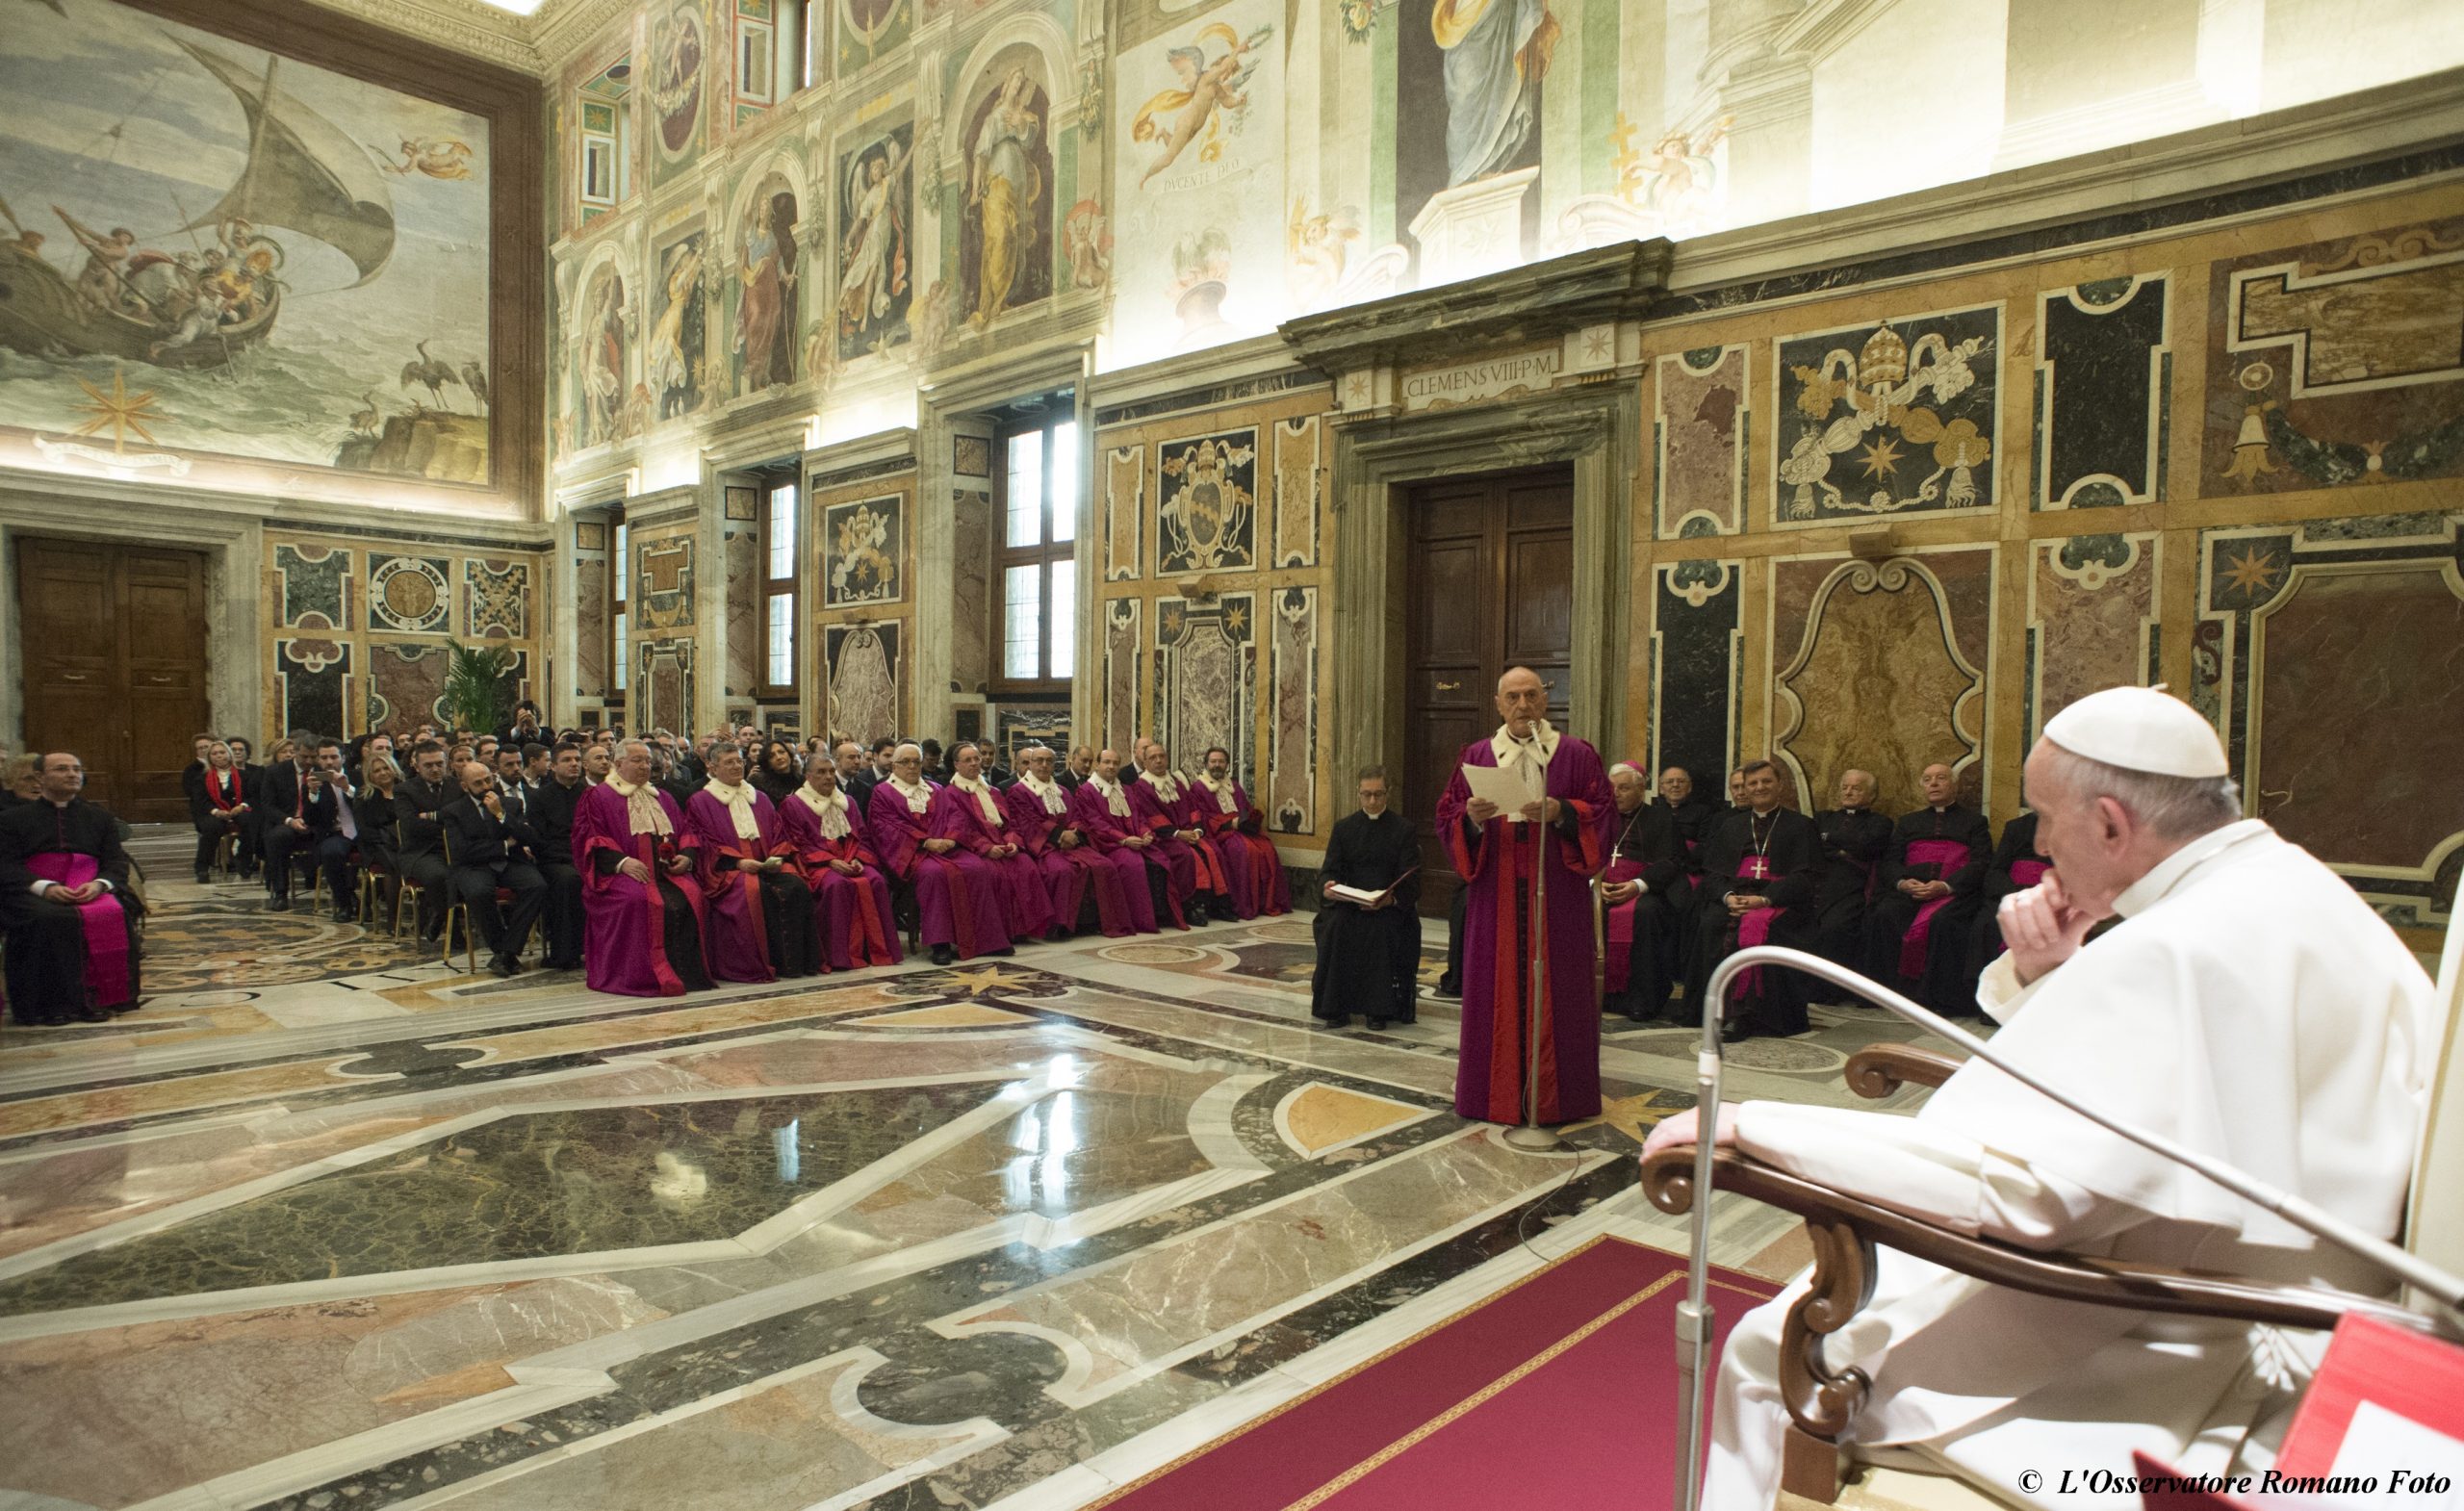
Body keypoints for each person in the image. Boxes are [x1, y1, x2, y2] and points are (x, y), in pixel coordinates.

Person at [1647, 685, 2437, 1511]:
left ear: (2109, 823)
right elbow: (2148, 1097)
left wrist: (1753, 1125)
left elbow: (2027, 1191)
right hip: (2271, 1280)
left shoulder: (2177, 944)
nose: (2043, 847)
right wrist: (2053, 973)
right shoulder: (2281, 884)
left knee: (1763, 1348)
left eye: (2046, 819)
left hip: (2198, 1327)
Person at [1433, 666, 1613, 1125]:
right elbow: (1448, 813)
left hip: (1556, 893)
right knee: (1493, 987)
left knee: (1560, 991)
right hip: (1496, 892)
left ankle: (1561, 1098)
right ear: (1498, 704)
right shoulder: (1476, 755)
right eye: (1511, 697)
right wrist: (1471, 818)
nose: (1522, 705)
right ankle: (1491, 1095)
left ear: (1544, 700)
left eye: (1530, 695)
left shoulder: (1574, 754)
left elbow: (1603, 812)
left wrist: (1563, 811)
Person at [1, 752, 144, 1025]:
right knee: (50, 918)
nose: (72, 774)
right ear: (40, 778)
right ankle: (49, 1005)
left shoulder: (100, 818)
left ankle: (102, 999)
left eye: (77, 769)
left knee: (112, 913)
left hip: (88, 887)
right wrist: (44, 887)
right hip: (30, 890)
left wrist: (100, 884)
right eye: (62, 769)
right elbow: (6, 864)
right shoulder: (12, 820)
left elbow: (115, 861)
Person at [1684, 758, 1821, 1040]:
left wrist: (1766, 899)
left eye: (1766, 781)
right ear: (1744, 789)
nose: (1759, 788)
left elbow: (1806, 878)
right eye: (1753, 783)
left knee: (1762, 930)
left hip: (1780, 902)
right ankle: (1716, 1010)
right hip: (1736, 896)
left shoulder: (1801, 826)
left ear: (1780, 785)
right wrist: (1728, 897)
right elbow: (1713, 873)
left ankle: (1748, 1015)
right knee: (1712, 923)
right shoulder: (1730, 826)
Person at [574, 738, 714, 996]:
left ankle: (687, 974)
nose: (645, 766)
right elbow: (590, 837)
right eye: (637, 760)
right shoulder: (597, 796)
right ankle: (641, 974)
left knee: (693, 894)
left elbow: (685, 831)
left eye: (648, 761)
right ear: (618, 764)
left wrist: (686, 856)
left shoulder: (664, 798)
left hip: (665, 872)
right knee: (637, 900)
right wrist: (622, 862)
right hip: (619, 874)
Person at [1862, 761, 1994, 1016]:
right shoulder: (1908, 822)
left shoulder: (1975, 822)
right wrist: (1903, 882)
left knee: (1944, 922)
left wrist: (1946, 886)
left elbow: (1982, 862)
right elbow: (1890, 861)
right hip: (1911, 890)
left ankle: (1936, 997)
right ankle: (1889, 992)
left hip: (1951, 893)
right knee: (1885, 914)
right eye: (1927, 779)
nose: (1933, 783)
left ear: (1954, 785)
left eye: (1941, 778)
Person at [867, 742, 1011, 965]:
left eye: (916, 761)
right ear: (894, 766)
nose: (913, 766)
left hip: (946, 847)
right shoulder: (883, 792)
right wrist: (925, 842)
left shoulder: (935, 789)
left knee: (976, 867)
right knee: (934, 875)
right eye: (906, 762)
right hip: (914, 853)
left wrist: (951, 838)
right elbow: (886, 828)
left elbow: (956, 816)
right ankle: (940, 944)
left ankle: (986, 941)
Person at [686, 742, 819, 982]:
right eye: (729, 762)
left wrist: (776, 857)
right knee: (751, 890)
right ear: (713, 768)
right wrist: (737, 863)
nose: (737, 766)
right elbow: (705, 843)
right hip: (728, 870)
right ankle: (754, 964)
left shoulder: (761, 798)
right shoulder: (700, 801)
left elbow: (779, 832)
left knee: (797, 885)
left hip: (766, 864)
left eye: (739, 761)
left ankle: (793, 964)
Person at [1311, 766, 1422, 1029]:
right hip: (1350, 904)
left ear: (1388, 794)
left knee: (1380, 929)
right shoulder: (1343, 828)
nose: (1372, 801)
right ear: (1358, 794)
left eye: (1378, 794)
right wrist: (1328, 887)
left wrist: (1391, 900)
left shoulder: (1404, 829)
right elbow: (1330, 868)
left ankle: (1378, 1010)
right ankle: (1335, 1007)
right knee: (1337, 926)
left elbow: (1412, 878)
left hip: (1387, 906)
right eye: (1367, 794)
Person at [779, 755, 901, 970]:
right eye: (821, 772)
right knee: (837, 885)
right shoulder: (793, 805)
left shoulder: (848, 802)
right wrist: (830, 861)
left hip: (850, 858)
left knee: (875, 880)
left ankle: (873, 950)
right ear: (808, 776)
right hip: (816, 865)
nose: (828, 777)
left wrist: (858, 858)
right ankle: (839, 956)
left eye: (831, 771)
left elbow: (862, 836)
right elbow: (797, 844)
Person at [1005, 745, 1137, 939]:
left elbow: (1076, 816)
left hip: (1071, 843)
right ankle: (1059, 925)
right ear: (1030, 764)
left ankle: (1096, 921)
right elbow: (1028, 823)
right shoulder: (1018, 791)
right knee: (1062, 871)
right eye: (1039, 760)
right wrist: (1060, 835)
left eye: (1049, 761)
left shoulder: (1063, 791)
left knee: (1105, 865)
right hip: (1045, 847)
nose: (1044, 765)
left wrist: (1073, 832)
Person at [1598, 761, 1691, 1024]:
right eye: (1612, 788)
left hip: (1645, 889)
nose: (1616, 793)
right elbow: (1584, 855)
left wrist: (1638, 885)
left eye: (1624, 788)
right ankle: (1594, 995)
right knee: (1580, 911)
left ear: (1641, 789)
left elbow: (1674, 861)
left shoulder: (1662, 819)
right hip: (1601, 886)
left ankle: (1641, 999)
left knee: (1647, 913)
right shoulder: (1599, 818)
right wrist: (1595, 884)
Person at [935, 741, 1052, 944]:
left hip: (1002, 844)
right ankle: (1000, 931)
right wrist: (987, 848)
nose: (974, 763)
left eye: (976, 759)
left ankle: (1022, 929)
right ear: (956, 765)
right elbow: (962, 829)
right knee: (994, 873)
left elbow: (1010, 822)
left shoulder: (993, 791)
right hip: (974, 850)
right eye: (968, 760)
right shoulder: (950, 794)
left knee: (1025, 865)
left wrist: (1013, 841)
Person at [440, 760, 549, 978]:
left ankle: (506, 953)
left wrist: (501, 815)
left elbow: (530, 838)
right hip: (474, 867)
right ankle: (503, 950)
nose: (486, 786)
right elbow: (462, 852)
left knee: (537, 886)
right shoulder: (453, 812)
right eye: (478, 783)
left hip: (511, 863)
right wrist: (504, 845)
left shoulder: (511, 804)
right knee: (479, 892)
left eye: (488, 780)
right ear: (465, 787)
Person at [1066, 748, 1167, 934]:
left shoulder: (1126, 790)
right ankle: (1137, 920)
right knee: (1132, 863)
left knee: (1161, 858)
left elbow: (1140, 817)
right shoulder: (1086, 792)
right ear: (1097, 765)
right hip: (1107, 845)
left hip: (1134, 841)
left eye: (1115, 763)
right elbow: (1096, 825)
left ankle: (1160, 916)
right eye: (1106, 762)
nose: (1111, 767)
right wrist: (1124, 840)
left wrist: (1146, 833)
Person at [1810, 768, 1892, 978]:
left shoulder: (1880, 823)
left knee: (1835, 928)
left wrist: (1829, 839)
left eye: (1856, 788)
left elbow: (1866, 846)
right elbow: (1811, 847)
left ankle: (1829, 988)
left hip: (1853, 887)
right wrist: (1843, 849)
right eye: (1844, 787)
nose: (1848, 792)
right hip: (1816, 882)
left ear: (1871, 796)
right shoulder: (1823, 818)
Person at [1193, 746, 1292, 919]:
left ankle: (1265, 902)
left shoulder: (1235, 786)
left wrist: (1250, 819)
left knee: (1267, 848)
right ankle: (1243, 904)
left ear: (1227, 765)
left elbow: (1245, 807)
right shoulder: (1198, 788)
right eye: (1213, 761)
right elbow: (1203, 817)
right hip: (1220, 834)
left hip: (1240, 829)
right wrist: (1230, 823)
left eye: (1221, 762)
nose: (1217, 765)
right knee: (1246, 850)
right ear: (1206, 764)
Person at [1132, 742, 1225, 926]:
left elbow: (1192, 807)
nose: (1158, 761)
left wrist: (1197, 829)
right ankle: (1188, 906)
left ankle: (1217, 904)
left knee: (1214, 850)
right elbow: (1150, 816)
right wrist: (1177, 833)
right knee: (1185, 856)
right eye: (1153, 758)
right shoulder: (1141, 787)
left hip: (1187, 832)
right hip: (1163, 838)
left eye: (1162, 756)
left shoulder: (1176, 782)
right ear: (1145, 762)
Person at [1962, 808, 2045, 997]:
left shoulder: (2077, 826)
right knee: (1987, 924)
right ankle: (1991, 999)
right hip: (2011, 891)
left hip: (2049, 894)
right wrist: (2013, 893)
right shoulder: (2016, 827)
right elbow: (1997, 869)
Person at [527, 743, 590, 971]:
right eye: (567, 760)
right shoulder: (539, 797)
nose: (574, 764)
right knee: (569, 880)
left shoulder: (589, 794)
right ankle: (565, 952)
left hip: (586, 857)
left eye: (577, 759)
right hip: (553, 861)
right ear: (553, 766)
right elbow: (538, 837)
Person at [260, 732, 335, 913]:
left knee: (334, 841)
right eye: (304, 757)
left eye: (313, 757)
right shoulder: (275, 772)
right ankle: (280, 893)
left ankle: (340, 890)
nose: (309, 761)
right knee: (278, 837)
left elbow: (331, 803)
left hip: (316, 823)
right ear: (294, 752)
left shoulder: (323, 772)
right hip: (286, 822)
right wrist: (290, 820)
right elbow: (267, 805)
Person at [394, 742, 457, 940]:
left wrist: (432, 816)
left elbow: (466, 818)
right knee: (440, 876)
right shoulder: (404, 790)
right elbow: (411, 825)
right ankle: (453, 929)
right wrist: (447, 822)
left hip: (455, 848)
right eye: (429, 765)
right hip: (421, 851)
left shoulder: (457, 786)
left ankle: (438, 914)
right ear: (417, 766)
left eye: (439, 763)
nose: (435, 769)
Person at [311, 739, 367, 920]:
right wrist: (312, 795)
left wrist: (347, 788)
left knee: (384, 850)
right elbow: (311, 819)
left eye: (334, 757)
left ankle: (369, 903)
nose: (329, 762)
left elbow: (368, 805)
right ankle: (344, 903)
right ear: (318, 760)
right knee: (331, 852)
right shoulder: (315, 781)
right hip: (335, 832)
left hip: (363, 831)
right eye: (324, 758)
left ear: (343, 758)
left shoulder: (359, 776)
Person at [189, 739, 252, 884]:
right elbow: (201, 801)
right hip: (213, 812)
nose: (218, 756)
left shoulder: (244, 776)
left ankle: (243, 860)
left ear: (229, 755)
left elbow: (252, 796)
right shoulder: (202, 778)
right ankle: (202, 868)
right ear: (210, 757)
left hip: (239, 809)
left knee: (250, 822)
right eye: (214, 753)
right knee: (212, 827)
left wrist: (241, 806)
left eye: (222, 752)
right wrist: (216, 811)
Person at [1654, 765, 1718, 855]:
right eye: (1669, 781)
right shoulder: (1653, 813)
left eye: (1681, 781)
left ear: (1689, 787)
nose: (1675, 785)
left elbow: (1705, 845)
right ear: (1661, 789)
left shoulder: (1703, 812)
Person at [750, 738, 802, 807]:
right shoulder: (759, 785)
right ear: (767, 763)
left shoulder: (802, 781)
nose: (778, 757)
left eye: (781, 752)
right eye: (772, 756)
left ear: (789, 755)